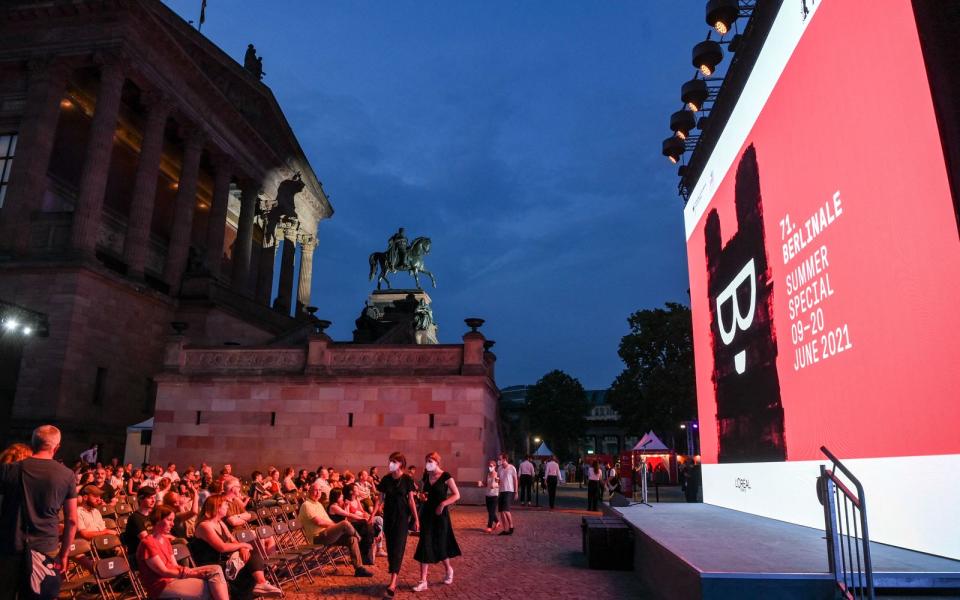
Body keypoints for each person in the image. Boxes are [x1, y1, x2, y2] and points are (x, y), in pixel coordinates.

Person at [0, 426, 78, 600]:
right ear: (56, 447)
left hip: (10, 544)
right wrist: (64, 554)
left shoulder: (9, 469)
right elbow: (72, 520)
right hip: (46, 548)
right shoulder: (67, 475)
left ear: (33, 443)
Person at [192, 495, 282, 597]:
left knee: (249, 553)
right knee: (249, 559)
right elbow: (221, 547)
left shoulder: (220, 523)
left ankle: (261, 583)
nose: (227, 507)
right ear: (217, 507)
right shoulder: (204, 526)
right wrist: (243, 544)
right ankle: (260, 584)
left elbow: (232, 540)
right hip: (211, 564)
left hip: (223, 559)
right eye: (225, 504)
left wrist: (243, 548)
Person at [137, 504, 230, 600]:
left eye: (173, 520)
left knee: (216, 569)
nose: (172, 524)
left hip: (174, 578)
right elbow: (164, 572)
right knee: (209, 587)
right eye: (169, 520)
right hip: (161, 586)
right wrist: (193, 574)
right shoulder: (147, 543)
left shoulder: (165, 540)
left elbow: (174, 566)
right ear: (158, 520)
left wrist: (190, 571)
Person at [297, 481, 373, 577]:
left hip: (327, 534)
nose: (318, 493)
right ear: (309, 491)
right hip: (317, 537)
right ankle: (359, 537)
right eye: (315, 491)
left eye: (319, 490)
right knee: (345, 524)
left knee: (352, 539)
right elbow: (319, 522)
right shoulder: (306, 505)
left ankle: (359, 568)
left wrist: (335, 527)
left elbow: (328, 520)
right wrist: (337, 526)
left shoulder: (318, 504)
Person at [412, 452, 460, 592]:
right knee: (425, 544)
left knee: (440, 544)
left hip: (440, 516)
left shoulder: (446, 476)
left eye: (430, 461)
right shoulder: (427, 476)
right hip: (427, 514)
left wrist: (443, 504)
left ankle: (448, 569)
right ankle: (423, 581)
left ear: (437, 462)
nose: (427, 463)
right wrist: (421, 497)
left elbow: (457, 495)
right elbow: (424, 493)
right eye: (426, 461)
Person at [376, 452, 418, 598]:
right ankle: (393, 573)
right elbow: (379, 499)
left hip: (402, 517)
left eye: (394, 461)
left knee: (399, 548)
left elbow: (411, 501)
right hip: (388, 516)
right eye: (390, 461)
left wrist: (416, 519)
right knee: (391, 547)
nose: (391, 463)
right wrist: (372, 515)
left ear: (401, 463)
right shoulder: (386, 479)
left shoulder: (407, 479)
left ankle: (393, 582)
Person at [123, 486, 157, 562]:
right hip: (140, 553)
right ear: (140, 499)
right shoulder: (135, 518)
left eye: (154, 497)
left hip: (153, 549)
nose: (153, 500)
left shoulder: (153, 515)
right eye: (150, 498)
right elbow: (147, 540)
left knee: (179, 542)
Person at [495, 452, 517, 536]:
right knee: (501, 511)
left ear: (504, 459)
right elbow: (498, 480)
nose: (499, 461)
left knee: (506, 509)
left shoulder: (512, 468)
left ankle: (511, 526)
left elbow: (515, 480)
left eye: (500, 459)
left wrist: (516, 491)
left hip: (509, 490)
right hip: (502, 490)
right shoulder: (499, 468)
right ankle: (505, 529)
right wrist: (497, 481)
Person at [477, 459, 500, 533]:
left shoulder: (496, 474)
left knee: (491, 512)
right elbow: (486, 484)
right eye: (489, 466)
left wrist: (495, 485)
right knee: (490, 511)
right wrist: (481, 484)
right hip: (487, 494)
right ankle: (497, 522)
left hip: (494, 495)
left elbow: (498, 484)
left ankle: (489, 527)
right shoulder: (488, 474)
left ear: (494, 466)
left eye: (491, 466)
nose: (489, 467)